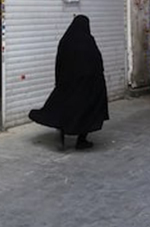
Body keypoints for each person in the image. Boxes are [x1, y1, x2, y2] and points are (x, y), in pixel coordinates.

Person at [28, 15, 109, 150]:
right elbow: (97, 63)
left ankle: (62, 134)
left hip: (68, 83)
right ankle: (81, 140)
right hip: (89, 86)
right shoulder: (89, 41)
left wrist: (59, 81)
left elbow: (59, 62)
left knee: (64, 108)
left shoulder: (65, 40)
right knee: (87, 112)